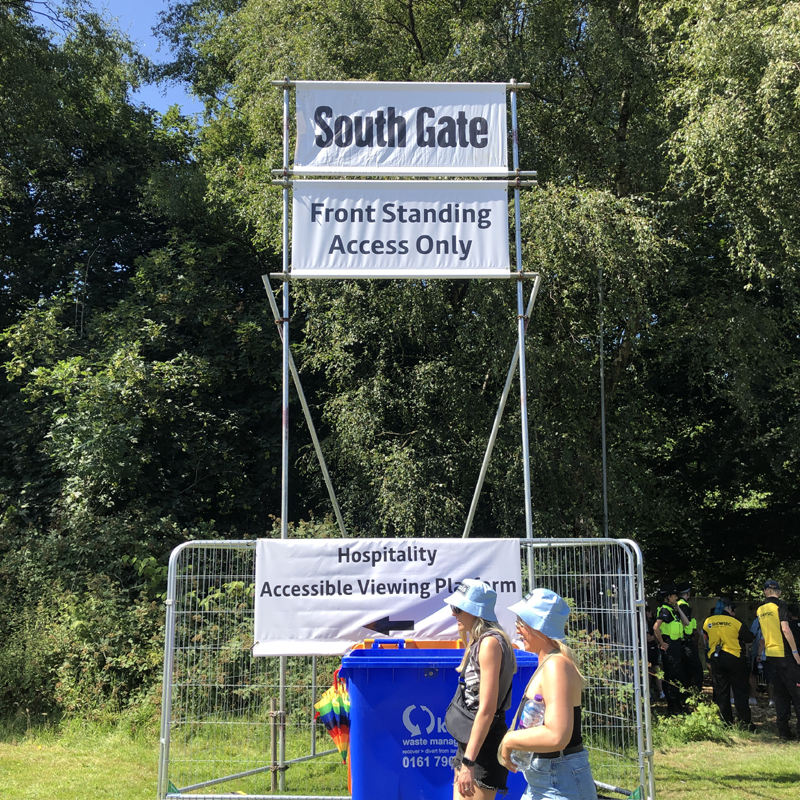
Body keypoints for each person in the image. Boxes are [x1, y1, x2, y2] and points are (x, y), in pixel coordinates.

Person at [498, 588, 597, 800]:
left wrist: (509, 740)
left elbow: (557, 736)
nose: (517, 630)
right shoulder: (548, 663)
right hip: (546, 780)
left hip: (559, 783)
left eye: (521, 623)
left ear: (538, 627)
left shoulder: (556, 665)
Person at [444, 579, 517, 800]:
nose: (453, 613)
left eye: (458, 608)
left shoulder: (490, 643)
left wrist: (468, 762)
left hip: (481, 747)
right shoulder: (482, 641)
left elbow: (487, 709)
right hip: (472, 742)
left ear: (475, 612)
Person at [756, 579, 800, 741]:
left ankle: (783, 732)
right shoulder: (781, 605)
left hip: (771, 655)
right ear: (779, 592)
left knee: (780, 694)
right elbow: (785, 629)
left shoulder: (760, 609)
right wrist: (795, 652)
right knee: (797, 694)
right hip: (785, 654)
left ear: (765, 591)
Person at [702, 597, 756, 729]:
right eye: (734, 610)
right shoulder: (735, 622)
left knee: (721, 691)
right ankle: (744, 723)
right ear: (729, 608)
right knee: (740, 691)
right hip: (735, 657)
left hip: (716, 658)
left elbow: (706, 635)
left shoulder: (708, 621)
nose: (734, 612)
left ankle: (725, 722)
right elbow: (749, 638)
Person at [653, 586, 691, 715]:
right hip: (669, 646)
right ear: (668, 597)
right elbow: (656, 627)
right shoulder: (665, 610)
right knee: (672, 676)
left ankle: (678, 705)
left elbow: (686, 623)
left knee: (678, 675)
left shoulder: (672, 610)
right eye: (674, 596)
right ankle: (673, 707)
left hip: (676, 646)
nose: (676, 598)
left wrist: (678, 608)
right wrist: (661, 642)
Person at [676, 583, 704, 690]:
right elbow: (685, 623)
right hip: (686, 640)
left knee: (687, 668)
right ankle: (694, 691)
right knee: (696, 668)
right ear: (688, 593)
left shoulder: (677, 604)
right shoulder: (683, 605)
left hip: (682, 640)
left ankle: (688, 690)